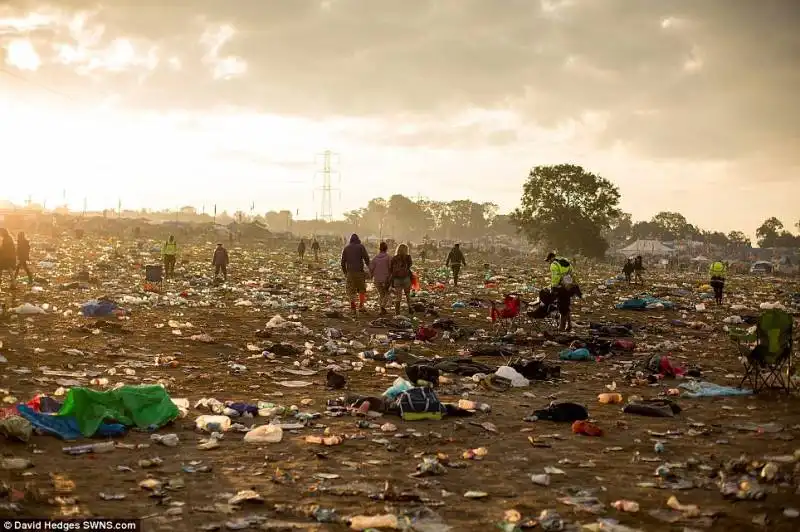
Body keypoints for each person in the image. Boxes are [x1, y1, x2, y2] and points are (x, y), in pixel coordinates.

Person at [546, 252, 581, 332]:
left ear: (551, 258)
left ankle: (561, 328)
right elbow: (572, 272)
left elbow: (555, 278)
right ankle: (569, 325)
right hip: (570, 285)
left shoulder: (554, 265)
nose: (549, 262)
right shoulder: (564, 261)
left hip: (561, 288)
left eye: (549, 260)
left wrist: (553, 287)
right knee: (566, 305)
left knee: (562, 308)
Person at [341, 234, 370, 315]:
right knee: (361, 289)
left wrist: (345, 273)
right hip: (359, 272)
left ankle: (353, 307)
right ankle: (361, 306)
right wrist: (370, 269)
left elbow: (342, 262)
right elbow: (366, 258)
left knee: (351, 290)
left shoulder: (346, 248)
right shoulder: (361, 247)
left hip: (350, 272)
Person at [389, 243, 414, 315]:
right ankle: (410, 308)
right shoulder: (408, 257)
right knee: (408, 294)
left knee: (398, 296)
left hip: (397, 279)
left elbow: (391, 269)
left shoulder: (394, 258)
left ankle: (397, 312)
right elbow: (410, 265)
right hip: (406, 278)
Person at [369, 241, 392, 315]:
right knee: (387, 293)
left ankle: (381, 309)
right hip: (385, 279)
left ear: (379, 249)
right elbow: (391, 268)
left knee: (381, 294)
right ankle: (382, 307)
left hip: (377, 279)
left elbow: (371, 268)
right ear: (386, 249)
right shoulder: (388, 258)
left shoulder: (375, 258)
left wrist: (371, 275)